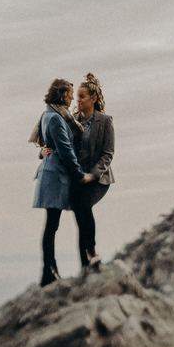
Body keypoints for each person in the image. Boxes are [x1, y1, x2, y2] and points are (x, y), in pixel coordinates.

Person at [31, 78, 90, 285]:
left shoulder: (48, 114)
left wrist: (42, 152)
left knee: (51, 225)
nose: (73, 97)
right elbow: (65, 150)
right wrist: (79, 175)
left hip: (51, 173)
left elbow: (47, 145)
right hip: (55, 175)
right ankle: (48, 272)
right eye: (70, 93)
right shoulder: (56, 118)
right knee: (51, 225)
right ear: (62, 94)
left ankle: (49, 270)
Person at [70, 73, 114, 274]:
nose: (77, 100)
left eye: (81, 96)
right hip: (78, 179)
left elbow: (107, 154)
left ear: (93, 99)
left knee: (83, 205)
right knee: (80, 213)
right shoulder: (71, 121)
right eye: (77, 96)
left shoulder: (105, 121)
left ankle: (91, 252)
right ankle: (86, 264)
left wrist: (92, 175)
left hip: (98, 179)